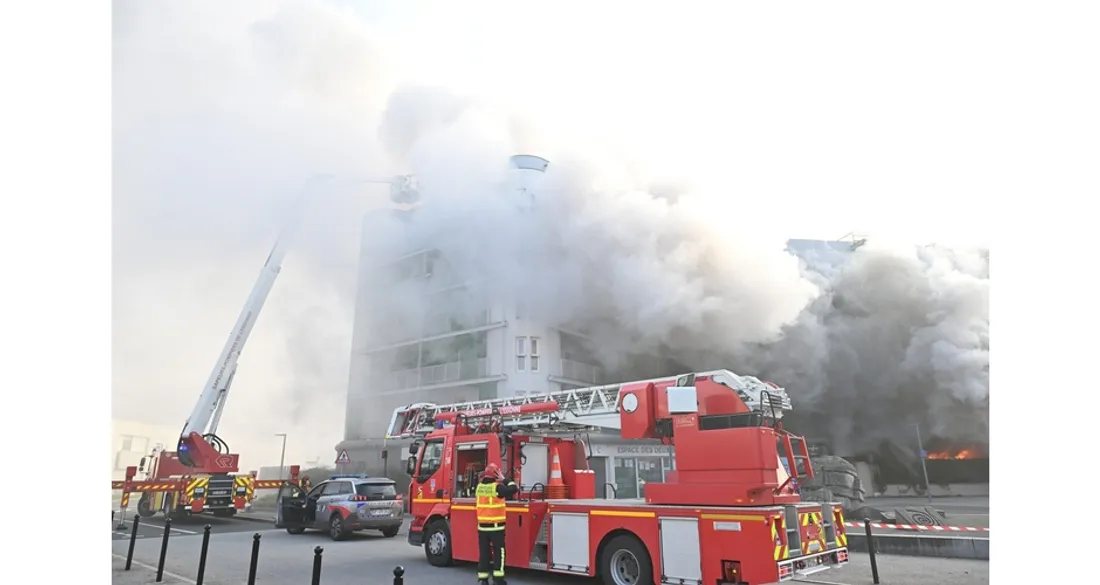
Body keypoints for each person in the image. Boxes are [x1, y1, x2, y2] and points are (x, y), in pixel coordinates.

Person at [475, 463, 518, 585]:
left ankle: (483, 579)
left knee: (484, 553)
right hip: (496, 527)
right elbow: (514, 488)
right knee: (499, 553)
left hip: (482, 527)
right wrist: (504, 479)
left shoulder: (479, 487)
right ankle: (498, 580)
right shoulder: (497, 488)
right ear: (496, 474)